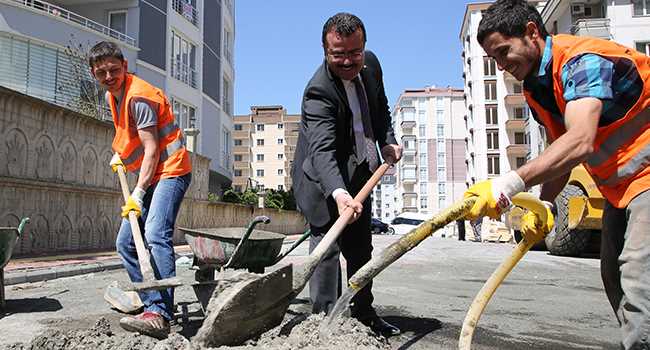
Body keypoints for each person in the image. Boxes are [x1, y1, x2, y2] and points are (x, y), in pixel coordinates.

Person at [464, 1, 650, 348]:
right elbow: (559, 154)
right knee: (614, 278)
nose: (502, 65)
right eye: (495, 60)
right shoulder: (537, 89)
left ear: (532, 33)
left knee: (640, 284)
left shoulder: (582, 61)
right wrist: (544, 206)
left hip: (646, 181)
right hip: (621, 189)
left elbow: (579, 140)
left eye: (504, 52)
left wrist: (511, 180)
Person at [291, 13, 403, 337]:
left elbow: (380, 109)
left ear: (363, 46)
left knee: (361, 249)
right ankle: (326, 323)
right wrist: (339, 195)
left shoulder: (371, 65)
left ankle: (364, 313)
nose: (348, 61)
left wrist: (388, 141)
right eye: (338, 54)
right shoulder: (318, 91)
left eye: (354, 53)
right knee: (326, 248)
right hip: (321, 180)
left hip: (360, 173)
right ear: (326, 52)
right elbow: (322, 152)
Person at [88, 41, 192, 339]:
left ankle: (160, 314)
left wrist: (139, 193)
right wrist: (119, 153)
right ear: (94, 74)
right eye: (101, 72)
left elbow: (151, 150)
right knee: (125, 243)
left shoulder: (139, 98)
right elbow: (129, 135)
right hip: (152, 173)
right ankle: (151, 301)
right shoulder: (113, 95)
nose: (109, 76)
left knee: (156, 233)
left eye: (114, 70)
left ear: (125, 67)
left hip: (171, 170)